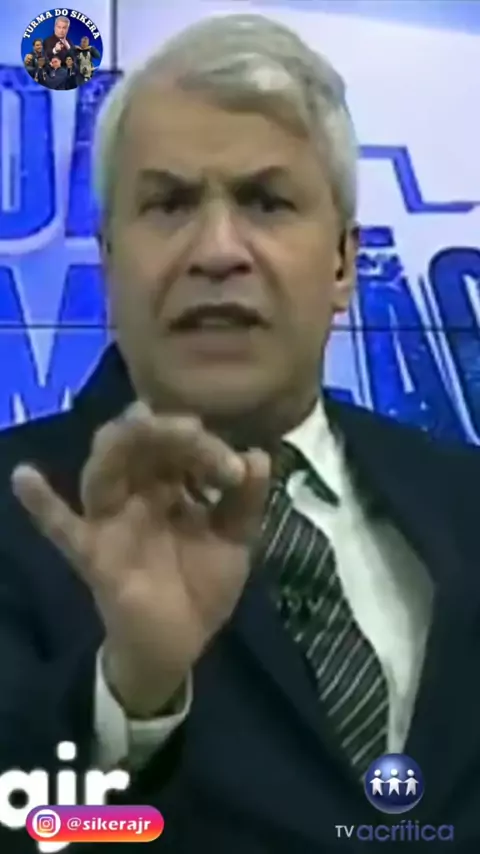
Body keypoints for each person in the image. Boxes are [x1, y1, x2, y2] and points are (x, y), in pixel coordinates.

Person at [1, 12, 479, 853]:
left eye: (265, 201)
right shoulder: (19, 513)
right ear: (109, 262)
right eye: (170, 203)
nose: (218, 250)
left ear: (342, 263)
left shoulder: (464, 495)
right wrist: (130, 693)